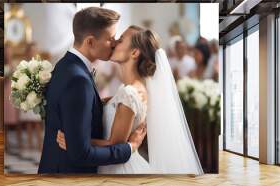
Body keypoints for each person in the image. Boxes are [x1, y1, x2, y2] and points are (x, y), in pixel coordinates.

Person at [57, 25, 204, 175]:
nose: (114, 43)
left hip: (119, 170)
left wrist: (76, 141)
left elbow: (114, 145)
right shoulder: (127, 89)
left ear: (134, 52)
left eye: (120, 40)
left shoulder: (130, 93)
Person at [38, 7, 146, 174]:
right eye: (111, 38)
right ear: (90, 42)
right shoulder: (78, 80)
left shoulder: (64, 65)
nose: (115, 43)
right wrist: (130, 147)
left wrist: (101, 104)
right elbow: (80, 154)